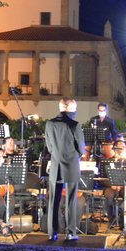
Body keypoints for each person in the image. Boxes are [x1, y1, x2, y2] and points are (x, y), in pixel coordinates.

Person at [45, 97, 84, 241]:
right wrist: (76, 155)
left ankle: (52, 232)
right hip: (72, 164)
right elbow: (81, 148)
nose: (75, 111)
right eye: (74, 108)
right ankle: (70, 232)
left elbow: (49, 146)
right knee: (71, 200)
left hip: (56, 164)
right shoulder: (75, 124)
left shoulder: (49, 124)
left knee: (54, 200)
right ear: (67, 108)